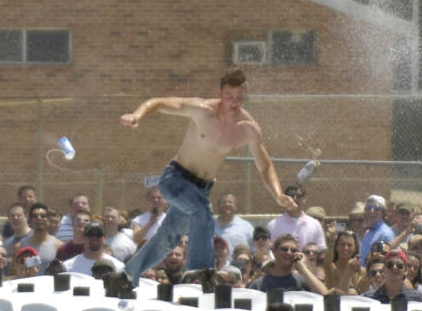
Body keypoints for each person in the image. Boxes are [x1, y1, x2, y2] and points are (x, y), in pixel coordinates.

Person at [115, 69, 295, 289]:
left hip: (202, 188)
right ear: (220, 92)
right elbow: (159, 102)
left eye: (239, 98)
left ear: (245, 95)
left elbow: (265, 164)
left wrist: (277, 193)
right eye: (229, 96)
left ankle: (125, 277)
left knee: (169, 238)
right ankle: (200, 268)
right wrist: (137, 115)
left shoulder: (248, 128)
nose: (234, 102)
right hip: (175, 179)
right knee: (203, 211)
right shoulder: (201, 110)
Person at [266, 184, 325, 250]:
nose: (294, 198)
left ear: (304, 199)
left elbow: (321, 252)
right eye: (291, 196)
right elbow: (269, 251)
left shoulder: (315, 224)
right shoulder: (273, 225)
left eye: (298, 196)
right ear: (285, 198)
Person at [360, 195, 396, 266]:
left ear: (383, 212)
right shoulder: (369, 230)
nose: (372, 211)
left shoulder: (386, 233)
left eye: (376, 209)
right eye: (369, 208)